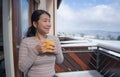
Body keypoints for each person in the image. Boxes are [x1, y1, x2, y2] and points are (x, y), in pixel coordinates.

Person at [19, 9, 64, 77]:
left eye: (49, 21)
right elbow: (22, 68)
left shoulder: (54, 39)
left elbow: (60, 61)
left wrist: (56, 52)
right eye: (45, 21)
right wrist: (35, 50)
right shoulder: (26, 42)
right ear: (35, 24)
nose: (49, 24)